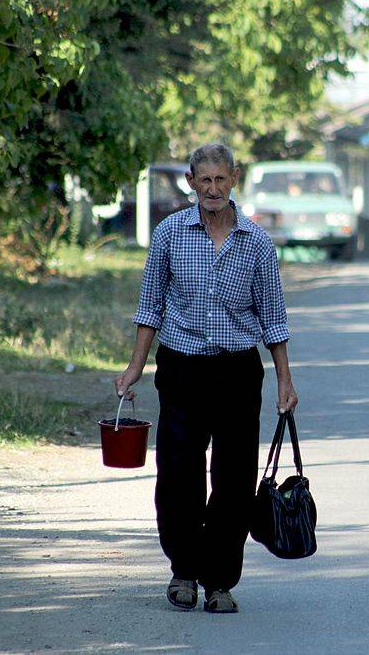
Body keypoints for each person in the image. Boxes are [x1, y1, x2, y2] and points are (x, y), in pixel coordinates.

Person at [114, 142, 298, 615]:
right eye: (205, 180)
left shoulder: (257, 242)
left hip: (238, 372)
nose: (213, 189)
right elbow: (150, 305)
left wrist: (284, 381)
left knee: (235, 478)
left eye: (221, 179)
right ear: (191, 182)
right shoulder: (171, 233)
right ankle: (183, 571)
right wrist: (135, 366)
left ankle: (219, 580)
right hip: (181, 368)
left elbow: (273, 319)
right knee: (179, 474)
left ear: (233, 179)